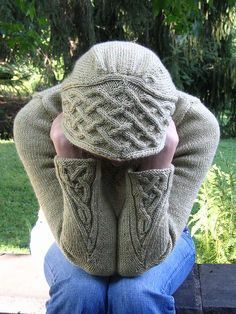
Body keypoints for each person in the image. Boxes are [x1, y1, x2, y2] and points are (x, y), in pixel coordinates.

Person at [13, 41, 220, 313]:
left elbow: (139, 261)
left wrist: (157, 163)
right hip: (61, 228)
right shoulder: (37, 122)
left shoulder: (196, 127)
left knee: (135, 294)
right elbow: (91, 258)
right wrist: (70, 157)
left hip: (165, 232)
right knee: (80, 290)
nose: (116, 162)